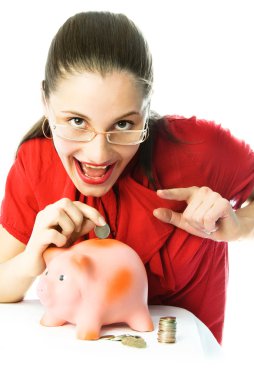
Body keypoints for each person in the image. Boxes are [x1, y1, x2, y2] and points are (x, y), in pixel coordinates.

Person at [0, 11, 253, 345]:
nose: (98, 155)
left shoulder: (199, 151)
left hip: (185, 365)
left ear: (146, 111)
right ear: (46, 103)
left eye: (123, 125)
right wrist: (33, 256)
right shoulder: (35, 163)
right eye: (77, 121)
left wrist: (238, 226)